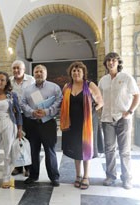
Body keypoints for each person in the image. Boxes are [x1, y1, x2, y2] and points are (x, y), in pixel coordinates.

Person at [98, 52, 140, 189]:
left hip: (123, 119)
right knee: (109, 149)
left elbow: (137, 95)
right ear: (105, 63)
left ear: (118, 62)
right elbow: (98, 99)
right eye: (108, 60)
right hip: (107, 119)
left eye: (114, 60)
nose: (111, 62)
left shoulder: (127, 78)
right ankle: (110, 176)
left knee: (124, 150)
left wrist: (130, 111)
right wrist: (99, 112)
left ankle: (127, 178)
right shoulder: (103, 80)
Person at [60, 61, 104, 190]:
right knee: (76, 149)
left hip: (87, 123)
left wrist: (90, 112)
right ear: (70, 73)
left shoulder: (90, 85)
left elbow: (100, 102)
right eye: (74, 70)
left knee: (86, 149)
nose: (76, 72)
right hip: (72, 123)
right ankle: (78, 175)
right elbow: (63, 104)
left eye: (79, 70)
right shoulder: (67, 87)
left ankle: (86, 176)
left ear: (83, 73)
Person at [21, 64, 62, 187]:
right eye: (36, 71)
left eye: (41, 71)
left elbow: (59, 101)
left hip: (48, 123)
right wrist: (32, 112)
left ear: (46, 73)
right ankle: (33, 175)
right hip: (32, 123)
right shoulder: (28, 89)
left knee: (50, 151)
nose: (38, 73)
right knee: (33, 150)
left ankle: (54, 177)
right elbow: (22, 103)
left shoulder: (54, 87)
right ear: (33, 74)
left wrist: (47, 111)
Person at [10, 60, 35, 177]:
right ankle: (18, 166)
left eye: (18, 68)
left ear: (23, 69)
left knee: (28, 141)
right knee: (16, 140)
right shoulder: (9, 81)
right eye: (14, 68)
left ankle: (28, 167)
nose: (16, 70)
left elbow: (36, 95)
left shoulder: (31, 80)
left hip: (28, 114)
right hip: (14, 115)